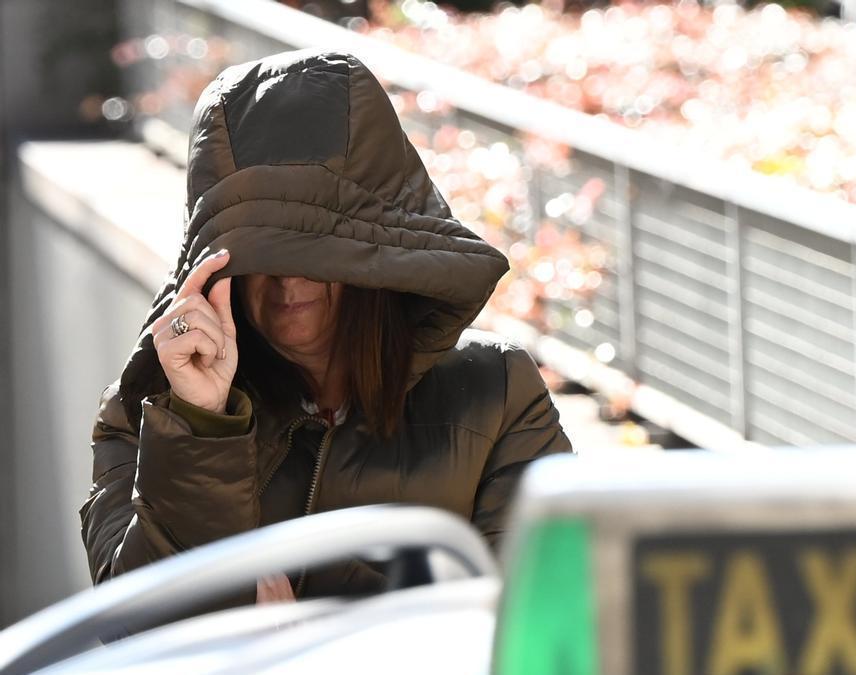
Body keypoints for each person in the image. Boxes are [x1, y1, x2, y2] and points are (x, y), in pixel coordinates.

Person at [79, 48, 573, 608]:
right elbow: (132, 626)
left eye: (318, 252)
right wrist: (201, 424)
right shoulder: (148, 411)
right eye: (260, 253)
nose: (290, 284)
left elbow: (549, 625)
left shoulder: (498, 393)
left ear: (373, 252)